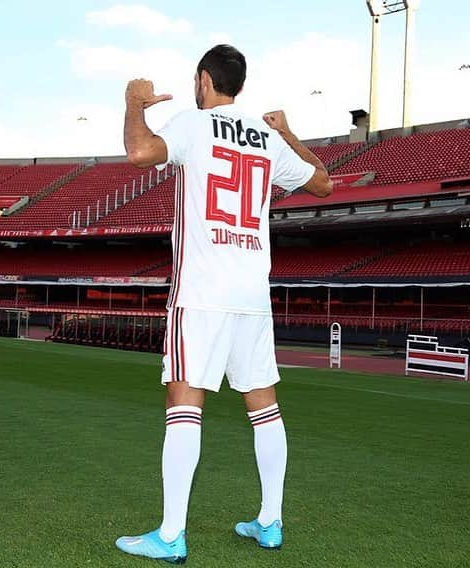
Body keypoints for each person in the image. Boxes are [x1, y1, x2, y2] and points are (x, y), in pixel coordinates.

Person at [116, 44, 333, 564]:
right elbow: (324, 183)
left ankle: (170, 536)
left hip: (203, 291)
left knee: (184, 404)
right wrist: (288, 133)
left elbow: (138, 153)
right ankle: (270, 521)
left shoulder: (194, 123)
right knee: (264, 406)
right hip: (253, 293)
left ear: (202, 80)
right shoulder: (266, 136)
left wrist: (134, 104)